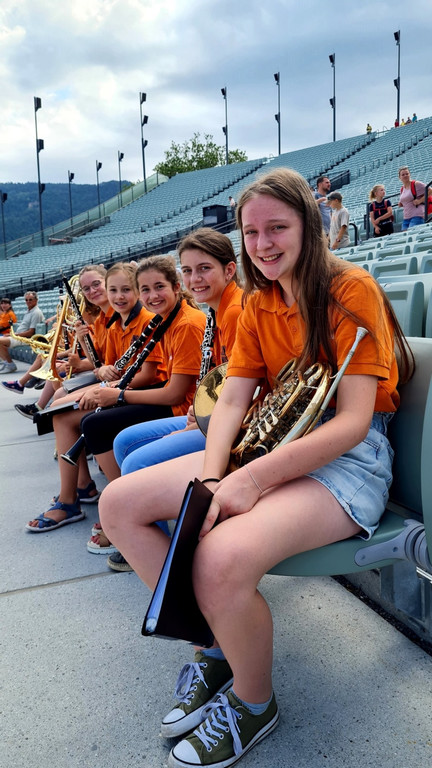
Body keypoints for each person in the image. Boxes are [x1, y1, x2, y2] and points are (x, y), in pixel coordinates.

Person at [99, 167, 413, 768]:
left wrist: (249, 479)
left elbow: (351, 423)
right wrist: (215, 475)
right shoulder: (260, 300)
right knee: (119, 504)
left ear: (308, 226)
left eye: (277, 228)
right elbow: (232, 401)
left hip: (347, 461)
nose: (263, 244)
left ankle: (253, 701)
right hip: (272, 446)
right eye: (251, 232)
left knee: (218, 559)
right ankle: (217, 647)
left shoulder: (351, 289)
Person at [107, 228, 243, 571]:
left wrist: (202, 420)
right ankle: (155, 540)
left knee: (136, 464)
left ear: (229, 270)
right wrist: (200, 412)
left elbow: (248, 390)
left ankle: (167, 560)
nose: (195, 279)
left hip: (234, 425)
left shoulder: (233, 312)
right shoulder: (215, 312)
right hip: (212, 416)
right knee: (124, 441)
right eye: (188, 270)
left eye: (204, 268)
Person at [81, 254, 207, 554]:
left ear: (176, 287)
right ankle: (126, 513)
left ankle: (139, 530)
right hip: (187, 406)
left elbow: (174, 394)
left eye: (159, 287)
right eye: (146, 289)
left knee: (101, 428)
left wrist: (119, 395)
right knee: (112, 432)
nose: (152, 296)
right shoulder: (166, 321)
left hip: (188, 409)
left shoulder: (186, 324)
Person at [25, 262, 163, 533]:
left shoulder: (144, 320)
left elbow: (145, 375)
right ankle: (78, 489)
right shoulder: (113, 321)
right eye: (113, 290)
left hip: (143, 390)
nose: (117, 296)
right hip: (123, 385)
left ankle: (80, 497)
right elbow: (105, 364)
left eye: (125, 290)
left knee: (68, 412)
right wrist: (93, 363)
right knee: (60, 408)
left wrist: (106, 385)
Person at [0, 291, 44, 373]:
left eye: (30, 299)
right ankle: (8, 363)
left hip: (25, 339)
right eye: (26, 300)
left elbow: (31, 332)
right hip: (19, 337)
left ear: (36, 300)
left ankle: (10, 365)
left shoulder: (36, 312)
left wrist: (14, 335)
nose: (28, 302)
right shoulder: (29, 311)